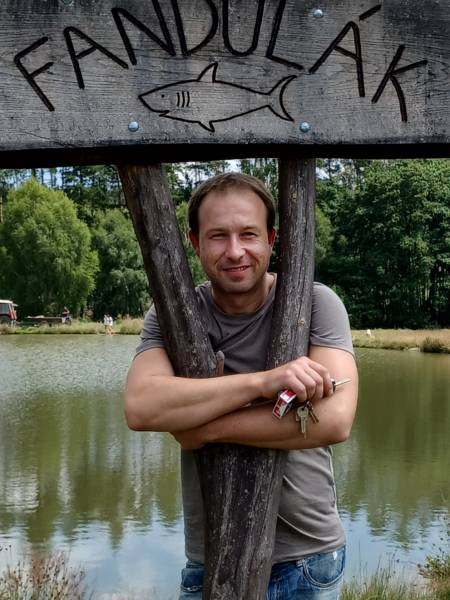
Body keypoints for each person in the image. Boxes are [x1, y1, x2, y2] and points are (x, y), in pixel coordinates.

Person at [125, 173, 358, 600]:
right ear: (195, 243)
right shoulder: (172, 314)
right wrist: (265, 382)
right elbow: (142, 407)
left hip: (307, 560)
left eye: (248, 234)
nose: (235, 251)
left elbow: (334, 420)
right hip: (210, 559)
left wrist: (202, 428)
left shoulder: (316, 302)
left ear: (271, 238)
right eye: (218, 236)